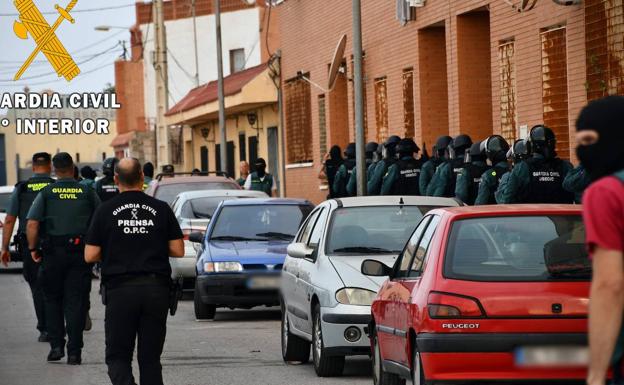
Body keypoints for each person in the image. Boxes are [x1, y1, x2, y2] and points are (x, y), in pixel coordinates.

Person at [84, 158, 184, 385]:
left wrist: (116, 246)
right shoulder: (160, 208)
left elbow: (90, 255)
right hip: (156, 290)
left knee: (118, 357)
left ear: (116, 179)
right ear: (142, 177)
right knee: (150, 359)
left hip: (120, 291)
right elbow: (177, 250)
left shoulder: (105, 210)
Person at [26, 153, 100, 364]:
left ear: (54, 170)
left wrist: (33, 248)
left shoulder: (47, 192)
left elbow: (32, 224)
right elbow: (100, 217)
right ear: (73, 167)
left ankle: (57, 346)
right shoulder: (87, 191)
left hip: (52, 254)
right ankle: (75, 352)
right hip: (80, 254)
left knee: (52, 300)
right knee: (75, 302)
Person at [574, 96, 624, 385]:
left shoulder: (606, 192)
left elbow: (610, 284)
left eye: (590, 140)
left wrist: (595, 374)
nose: (582, 150)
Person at [1, 152, 55, 342]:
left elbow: (9, 220)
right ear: (50, 167)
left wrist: (5, 248)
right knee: (56, 284)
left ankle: (45, 329)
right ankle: (59, 325)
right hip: (54, 242)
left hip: (29, 243)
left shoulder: (22, 188)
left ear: (33, 167)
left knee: (37, 286)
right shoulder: (56, 186)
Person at [498, 125, 574, 203]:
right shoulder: (566, 166)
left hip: (530, 215)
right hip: (562, 214)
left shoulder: (521, 168)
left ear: (531, 145)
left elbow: (506, 200)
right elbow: (579, 198)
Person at [475, 135, 510, 205]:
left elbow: (480, 203)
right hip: (518, 213)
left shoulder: (489, 175)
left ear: (490, 155)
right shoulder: (517, 170)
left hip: (494, 214)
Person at [495, 139, 530, 203]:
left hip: (521, 211)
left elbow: (503, 200)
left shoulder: (513, 174)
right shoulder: (535, 168)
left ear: (515, 156)